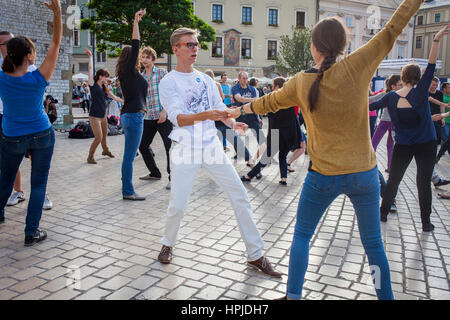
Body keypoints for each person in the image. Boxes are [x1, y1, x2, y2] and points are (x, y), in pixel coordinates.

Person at [228, 0, 425, 301]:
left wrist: (241, 111)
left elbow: (270, 102)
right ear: (343, 43)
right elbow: (393, 27)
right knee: (373, 245)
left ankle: (293, 295)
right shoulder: (359, 64)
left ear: (315, 47)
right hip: (363, 174)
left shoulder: (300, 81)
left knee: (303, 236)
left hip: (322, 177)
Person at [157, 27, 281, 278]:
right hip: (184, 148)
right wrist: (209, 115)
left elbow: (219, 109)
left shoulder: (206, 80)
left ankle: (255, 255)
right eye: (189, 44)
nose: (194, 48)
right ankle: (168, 243)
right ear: (176, 49)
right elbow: (178, 118)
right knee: (178, 204)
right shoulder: (168, 81)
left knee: (238, 194)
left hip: (211, 146)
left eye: (196, 44)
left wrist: (232, 123)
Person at [370, 24, 450, 232]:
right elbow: (432, 65)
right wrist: (436, 40)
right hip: (426, 144)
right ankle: (426, 223)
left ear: (402, 77)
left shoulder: (390, 96)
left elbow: (369, 106)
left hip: (403, 144)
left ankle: (383, 213)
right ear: (417, 78)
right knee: (423, 183)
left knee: (394, 179)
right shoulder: (421, 92)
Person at [0, 0, 62, 246]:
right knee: (38, 183)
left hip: (11, 135)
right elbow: (56, 42)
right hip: (41, 133)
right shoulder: (39, 77)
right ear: (29, 56)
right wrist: (57, 12)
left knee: (4, 180)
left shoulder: (2, 79)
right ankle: (31, 232)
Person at [0, 31, 53, 210]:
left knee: (35, 163)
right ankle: (19, 191)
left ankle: (40, 195)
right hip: (8, 121)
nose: (9, 45)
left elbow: (38, 93)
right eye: (5, 43)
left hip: (31, 124)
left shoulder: (30, 67)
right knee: (8, 167)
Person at [240, 77, 305, 185]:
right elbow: (294, 119)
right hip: (289, 134)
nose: (271, 87)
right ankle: (284, 178)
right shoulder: (289, 99)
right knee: (282, 156)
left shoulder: (273, 100)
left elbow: (261, 109)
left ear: (278, 87)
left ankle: (248, 176)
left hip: (277, 134)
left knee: (266, 158)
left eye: (273, 85)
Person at [116, 9, 148, 201]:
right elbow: (136, 44)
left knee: (129, 155)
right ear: (131, 57)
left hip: (130, 115)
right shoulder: (128, 72)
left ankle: (127, 189)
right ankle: (128, 191)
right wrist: (135, 22)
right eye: (136, 55)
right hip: (134, 116)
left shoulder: (128, 74)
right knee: (129, 157)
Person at [138, 45, 172, 190]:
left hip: (163, 116)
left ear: (153, 59)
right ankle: (155, 173)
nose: (144, 60)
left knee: (169, 147)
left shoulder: (162, 73)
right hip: (148, 117)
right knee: (142, 145)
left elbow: (170, 93)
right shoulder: (141, 76)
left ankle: (173, 178)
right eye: (142, 57)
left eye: (147, 57)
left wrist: (164, 111)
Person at [85, 49, 123, 164]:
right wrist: (90, 57)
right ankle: (90, 157)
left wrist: (126, 101)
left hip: (103, 116)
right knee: (99, 137)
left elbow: (114, 97)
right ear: (101, 76)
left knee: (105, 136)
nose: (107, 79)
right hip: (94, 117)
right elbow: (91, 70)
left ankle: (105, 150)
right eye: (106, 76)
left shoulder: (105, 88)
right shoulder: (92, 85)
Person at [207, 71, 254, 164]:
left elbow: (221, 100)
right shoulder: (214, 86)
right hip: (215, 119)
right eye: (223, 78)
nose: (224, 79)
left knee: (236, 141)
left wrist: (228, 107)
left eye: (225, 78)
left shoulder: (220, 86)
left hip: (221, 117)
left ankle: (250, 161)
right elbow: (221, 100)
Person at [232, 72, 266, 169]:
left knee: (261, 138)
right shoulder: (235, 88)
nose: (245, 80)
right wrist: (253, 99)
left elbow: (257, 104)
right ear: (239, 78)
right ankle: (239, 153)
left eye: (246, 78)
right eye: (243, 78)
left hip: (252, 116)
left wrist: (259, 117)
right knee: (237, 138)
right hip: (241, 116)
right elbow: (239, 98)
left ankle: (261, 157)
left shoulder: (252, 89)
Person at [371, 75, 402, 172]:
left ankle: (390, 167)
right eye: (399, 85)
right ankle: (369, 164)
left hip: (393, 124)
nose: (402, 87)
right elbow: (372, 99)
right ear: (393, 86)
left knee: (390, 146)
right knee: (373, 144)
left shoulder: (401, 95)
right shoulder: (386, 94)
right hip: (384, 122)